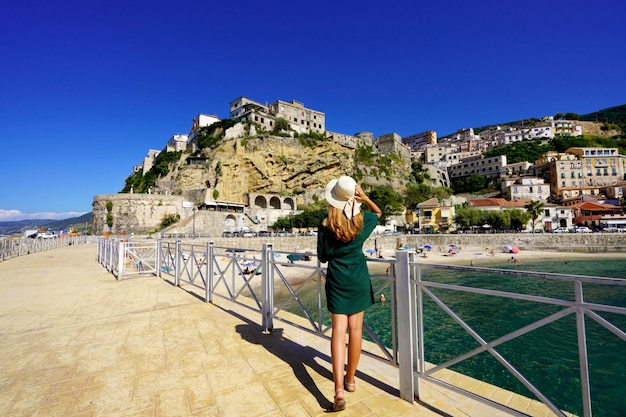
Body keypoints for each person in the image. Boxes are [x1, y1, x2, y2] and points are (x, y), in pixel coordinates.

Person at [317, 176, 382, 412]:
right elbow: (379, 213)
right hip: (358, 278)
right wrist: (364, 198)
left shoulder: (325, 226)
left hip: (337, 278)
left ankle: (338, 390)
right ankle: (351, 380)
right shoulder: (362, 221)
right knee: (356, 331)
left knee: (338, 332)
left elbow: (323, 257)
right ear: (352, 199)